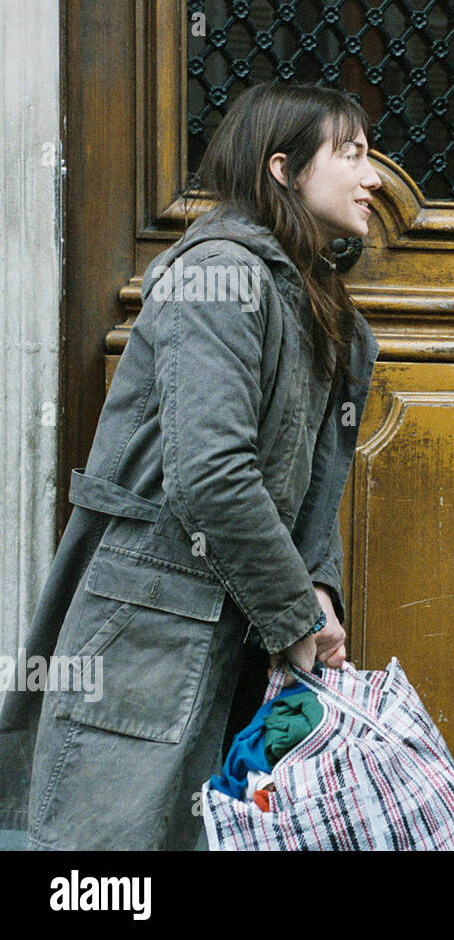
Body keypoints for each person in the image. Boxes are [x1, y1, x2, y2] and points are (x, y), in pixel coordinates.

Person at [0, 83, 382, 849]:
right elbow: (211, 471)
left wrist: (317, 588)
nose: (374, 177)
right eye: (352, 154)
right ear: (283, 168)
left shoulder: (313, 302)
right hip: (152, 629)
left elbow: (307, 479)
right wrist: (297, 613)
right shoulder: (222, 277)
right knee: (106, 873)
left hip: (241, 627)